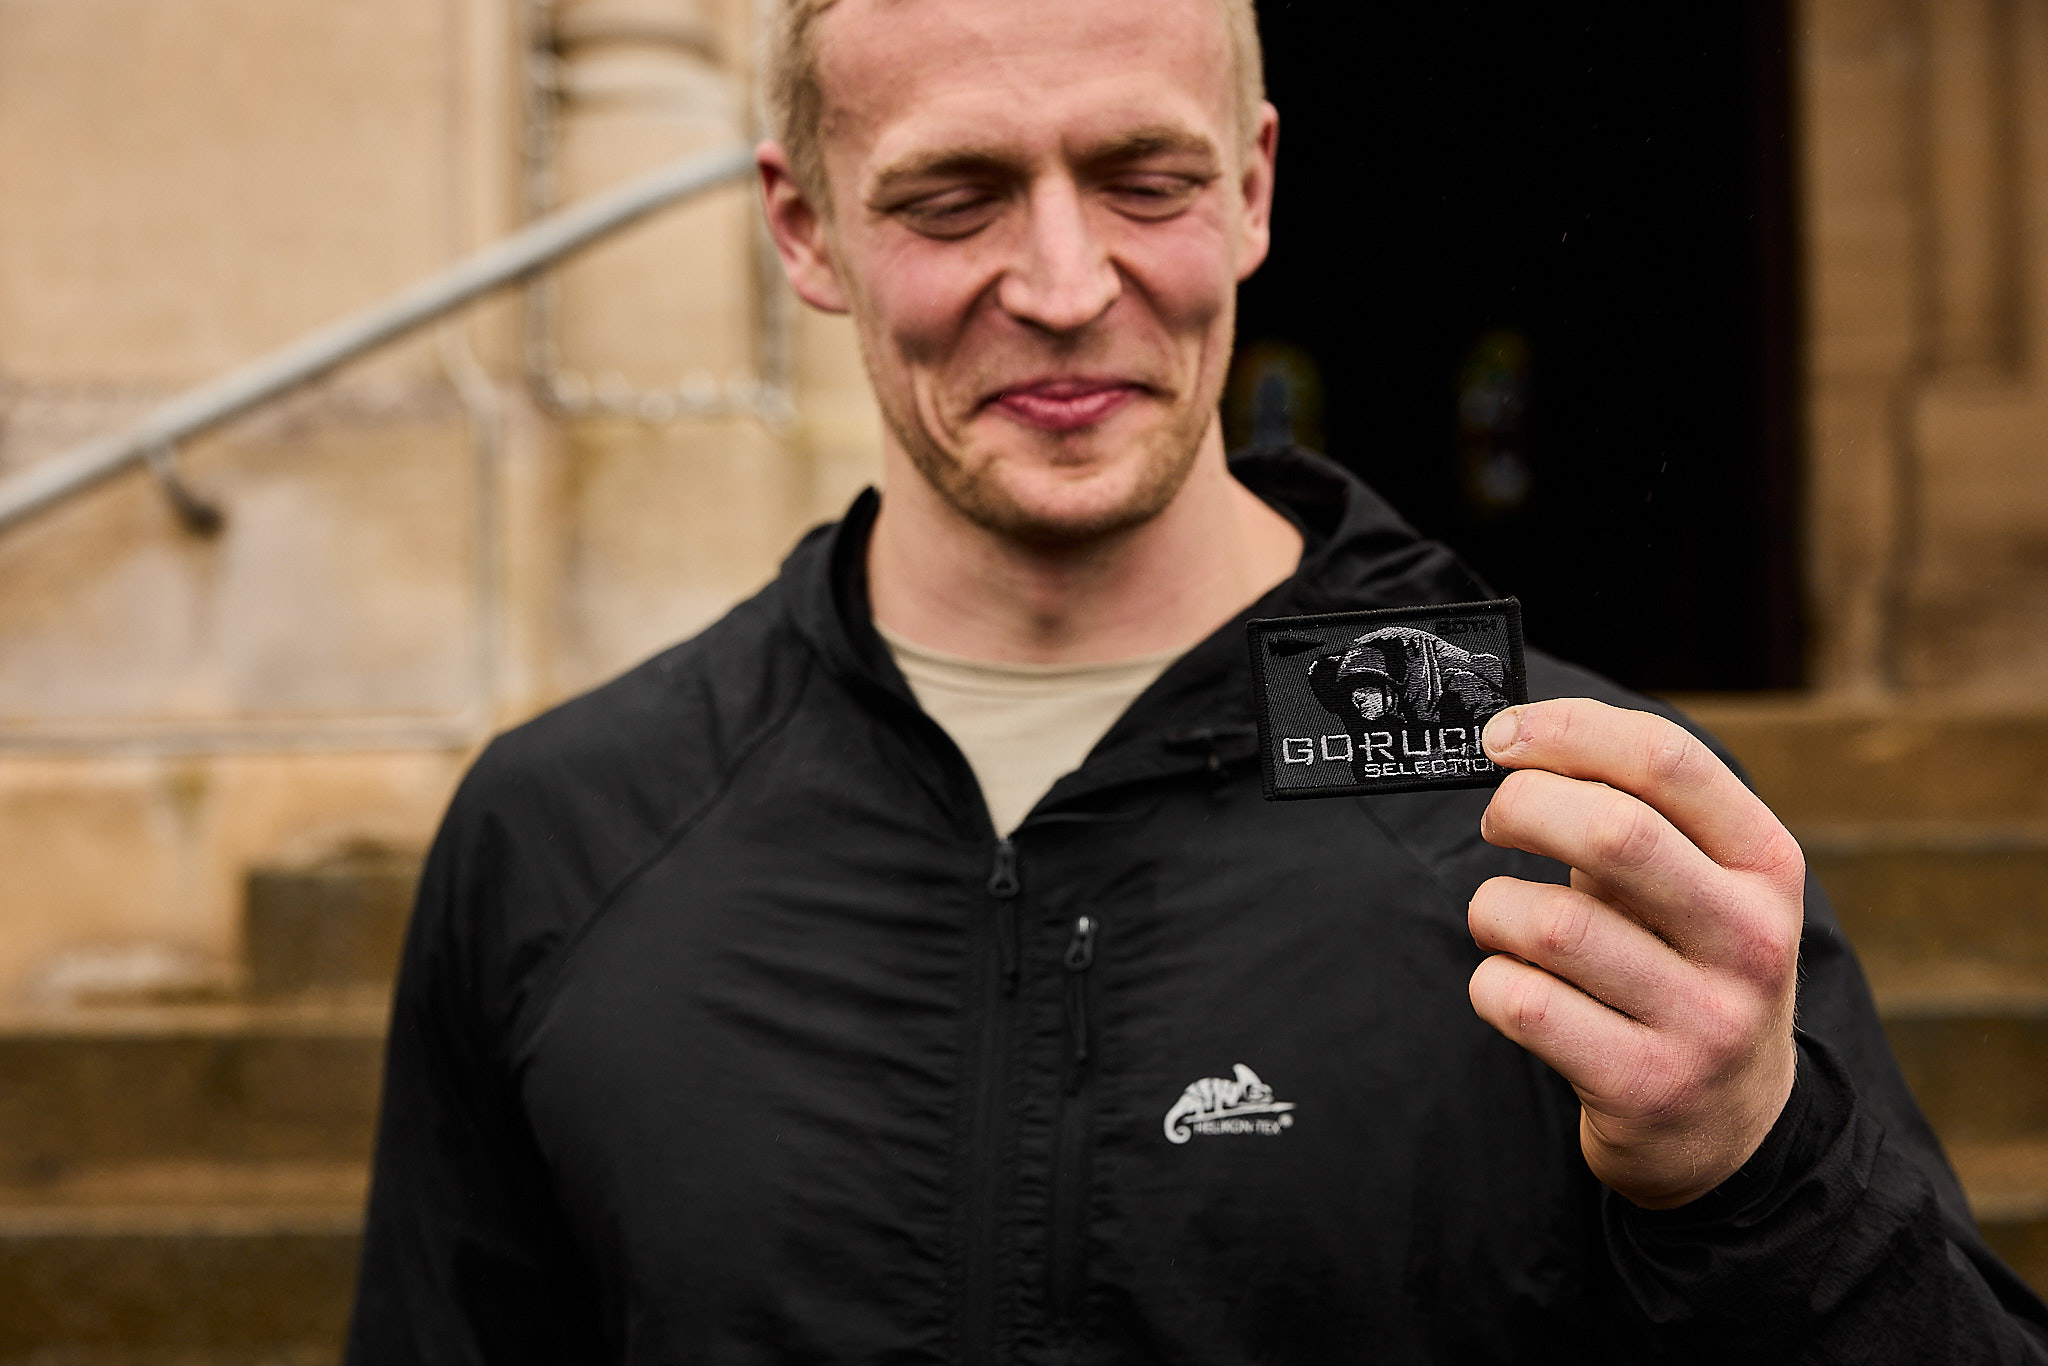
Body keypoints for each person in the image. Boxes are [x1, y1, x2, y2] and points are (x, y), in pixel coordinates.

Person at [345, 0, 2048, 1360]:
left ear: (1253, 188)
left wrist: (1762, 1176)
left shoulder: (1586, 816)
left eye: (1146, 181)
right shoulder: (565, 833)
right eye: (956, 199)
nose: (1069, 287)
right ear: (804, 226)